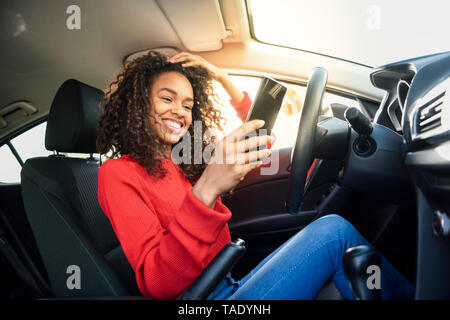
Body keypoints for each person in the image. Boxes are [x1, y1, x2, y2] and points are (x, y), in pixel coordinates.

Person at [96, 51, 414, 300]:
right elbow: (157, 282)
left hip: (231, 282)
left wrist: (220, 76)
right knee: (334, 235)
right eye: (167, 98)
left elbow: (249, 126)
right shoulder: (118, 173)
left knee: (334, 236)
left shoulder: (186, 160)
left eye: (188, 104)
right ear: (137, 104)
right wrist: (205, 191)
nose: (180, 110)